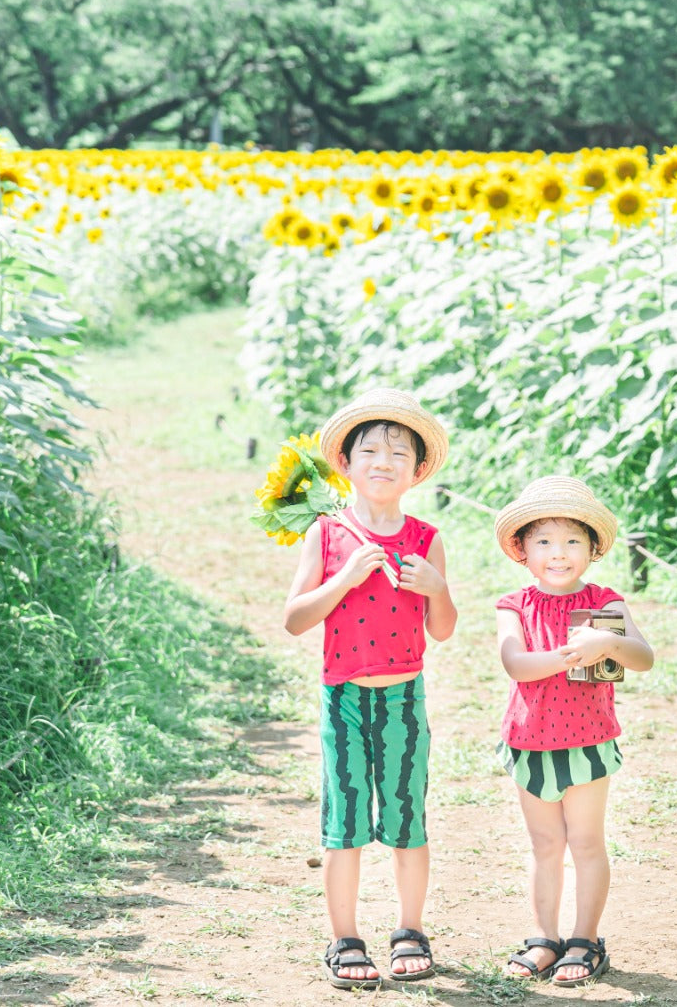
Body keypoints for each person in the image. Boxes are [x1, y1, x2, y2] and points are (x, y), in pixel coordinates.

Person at [282, 388, 456, 991]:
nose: (384, 462)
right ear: (346, 463)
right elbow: (295, 618)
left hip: (405, 697)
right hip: (345, 699)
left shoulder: (427, 538)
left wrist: (436, 587)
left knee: (408, 817)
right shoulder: (328, 533)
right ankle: (345, 938)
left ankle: (411, 929)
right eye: (371, 451)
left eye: (399, 453)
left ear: (417, 471)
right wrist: (345, 579)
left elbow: (443, 629)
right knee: (345, 819)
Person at [491, 476, 655, 987]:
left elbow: (643, 658)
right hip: (529, 742)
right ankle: (544, 938)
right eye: (543, 541)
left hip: (588, 742)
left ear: (592, 548)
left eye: (571, 541)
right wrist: (572, 655)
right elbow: (516, 664)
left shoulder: (606, 603)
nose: (558, 553)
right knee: (545, 845)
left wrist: (606, 641)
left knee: (585, 842)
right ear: (522, 549)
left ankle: (585, 940)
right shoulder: (514, 604)